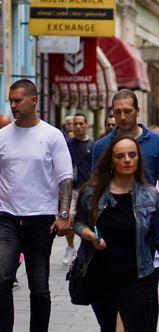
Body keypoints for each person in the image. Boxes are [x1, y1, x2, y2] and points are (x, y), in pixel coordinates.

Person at [74, 135, 159, 331]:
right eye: (120, 156)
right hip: (101, 276)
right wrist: (90, 235)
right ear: (111, 161)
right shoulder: (91, 193)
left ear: (139, 159)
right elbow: (79, 223)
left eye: (132, 155)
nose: (127, 160)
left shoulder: (150, 196)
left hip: (138, 276)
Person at [92, 89, 159, 332]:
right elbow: (95, 192)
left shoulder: (157, 143)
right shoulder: (102, 147)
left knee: (146, 298)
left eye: (127, 111)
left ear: (138, 111)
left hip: (149, 229)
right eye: (117, 112)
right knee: (111, 302)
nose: (122, 116)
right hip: (113, 232)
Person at [0, 79, 73, 332]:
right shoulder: (2, 136)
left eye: (18, 100)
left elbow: (65, 177)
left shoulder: (51, 135)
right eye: (11, 100)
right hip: (7, 218)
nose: (13, 105)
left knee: (39, 287)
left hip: (41, 220)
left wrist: (63, 215)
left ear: (33, 100)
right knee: (2, 279)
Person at [63, 113, 95, 265]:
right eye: (75, 123)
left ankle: (83, 248)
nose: (78, 126)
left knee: (85, 220)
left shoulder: (93, 145)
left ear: (87, 125)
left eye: (81, 123)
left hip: (87, 189)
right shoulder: (67, 144)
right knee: (68, 219)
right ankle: (70, 247)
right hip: (71, 188)